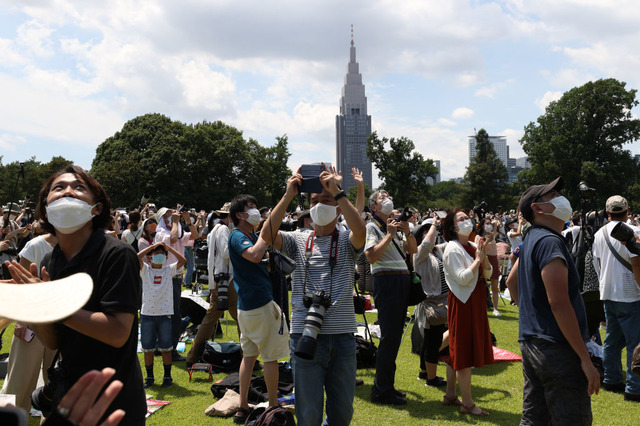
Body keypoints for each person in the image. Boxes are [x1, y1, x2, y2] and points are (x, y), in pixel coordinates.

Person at [6, 165, 146, 424]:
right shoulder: (51, 259)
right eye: (58, 188)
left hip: (113, 398)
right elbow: (53, 341)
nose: (68, 191)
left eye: (79, 187)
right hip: (67, 394)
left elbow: (117, 333)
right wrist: (36, 305)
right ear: (45, 208)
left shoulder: (117, 254)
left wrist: (53, 301)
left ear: (98, 208)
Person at [261, 167, 366, 426]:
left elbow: (361, 231)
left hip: (341, 337)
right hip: (304, 336)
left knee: (342, 413)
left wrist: (338, 192)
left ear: (338, 207)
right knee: (308, 414)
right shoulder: (298, 239)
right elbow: (266, 235)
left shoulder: (345, 240)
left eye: (326, 200)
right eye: (315, 201)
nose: (320, 205)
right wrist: (287, 196)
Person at [516, 176, 600, 424]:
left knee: (535, 419)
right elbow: (559, 303)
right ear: (537, 208)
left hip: (532, 342)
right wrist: (585, 358)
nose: (561, 199)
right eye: (552, 196)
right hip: (557, 349)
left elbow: (512, 281)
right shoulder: (550, 241)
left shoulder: (532, 237)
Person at [228, 194, 290, 424]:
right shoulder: (238, 236)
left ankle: (242, 406)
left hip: (247, 306)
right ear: (239, 215)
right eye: (251, 207)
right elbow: (254, 255)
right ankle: (273, 406)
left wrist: (263, 234)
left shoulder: (250, 235)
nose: (255, 210)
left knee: (250, 356)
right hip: (259, 304)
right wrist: (264, 235)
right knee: (270, 358)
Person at [364, 189, 417, 405]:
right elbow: (371, 256)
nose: (388, 200)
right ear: (374, 207)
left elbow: (412, 249)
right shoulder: (372, 227)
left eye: (389, 197)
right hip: (387, 282)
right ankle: (381, 390)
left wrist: (407, 232)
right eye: (382, 198)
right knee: (389, 338)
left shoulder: (392, 226)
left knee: (394, 338)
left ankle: (387, 386)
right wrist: (389, 235)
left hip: (399, 282)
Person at [441, 208, 494, 416]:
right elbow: (463, 277)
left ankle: (451, 394)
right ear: (454, 227)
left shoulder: (473, 245)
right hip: (463, 302)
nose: (466, 221)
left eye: (467, 218)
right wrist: (478, 259)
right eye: (461, 219)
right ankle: (468, 404)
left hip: (475, 300)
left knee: (458, 348)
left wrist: (484, 256)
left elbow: (488, 273)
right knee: (462, 351)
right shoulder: (452, 249)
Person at [0, 229, 57, 412]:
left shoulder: (83, 245)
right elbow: (20, 286)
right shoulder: (35, 245)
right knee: (19, 382)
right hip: (31, 322)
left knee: (57, 385)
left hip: (64, 324)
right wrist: (21, 319)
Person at [591, 195, 640, 402]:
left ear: (607, 212)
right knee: (634, 343)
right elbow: (637, 265)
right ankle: (634, 386)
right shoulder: (635, 232)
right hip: (630, 293)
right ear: (627, 210)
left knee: (612, 338)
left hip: (608, 291)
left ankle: (611, 379)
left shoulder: (599, 233)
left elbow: (598, 263)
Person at [186, 202, 240, 368]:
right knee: (241, 317)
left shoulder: (215, 229)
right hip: (226, 279)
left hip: (218, 278)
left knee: (212, 318)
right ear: (230, 216)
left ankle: (193, 355)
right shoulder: (223, 229)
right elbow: (225, 252)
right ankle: (248, 356)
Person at [138, 241, 186, 388]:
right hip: (147, 314)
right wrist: (152, 247)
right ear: (150, 257)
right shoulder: (145, 270)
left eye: (162, 254)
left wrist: (168, 248)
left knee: (166, 348)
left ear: (166, 257)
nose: (159, 256)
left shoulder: (168, 270)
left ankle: (167, 377)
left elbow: (183, 260)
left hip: (165, 314)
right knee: (148, 349)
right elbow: (136, 257)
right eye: (155, 254)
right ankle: (149, 377)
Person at [154, 207, 199, 362]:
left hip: (174, 276)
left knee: (169, 313)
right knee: (172, 314)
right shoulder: (160, 233)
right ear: (162, 219)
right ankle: (170, 350)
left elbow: (195, 236)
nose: (173, 217)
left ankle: (161, 346)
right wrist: (175, 222)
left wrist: (188, 221)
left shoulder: (176, 231)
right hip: (166, 276)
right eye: (168, 215)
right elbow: (172, 239)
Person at [412, 215, 452, 388]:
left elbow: (452, 243)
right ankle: (432, 378)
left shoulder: (438, 250)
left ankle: (424, 371)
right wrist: (434, 225)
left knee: (431, 340)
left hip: (441, 301)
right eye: (426, 231)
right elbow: (428, 243)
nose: (431, 234)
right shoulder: (419, 253)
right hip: (431, 302)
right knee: (433, 340)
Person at [476, 217, 501, 316]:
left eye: (489, 223)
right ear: (482, 225)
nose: (489, 225)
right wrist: (486, 241)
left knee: (495, 286)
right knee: (482, 285)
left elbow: (495, 227)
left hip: (494, 259)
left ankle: (495, 309)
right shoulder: (478, 236)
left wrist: (495, 221)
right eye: (487, 223)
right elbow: (479, 248)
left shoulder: (493, 235)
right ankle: (482, 307)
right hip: (484, 259)